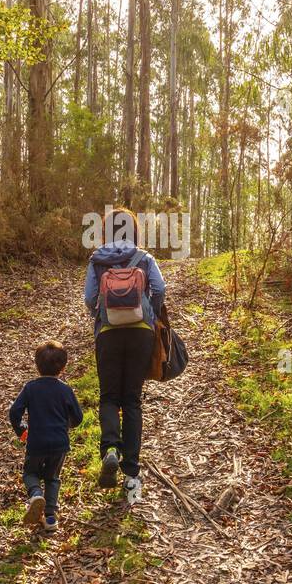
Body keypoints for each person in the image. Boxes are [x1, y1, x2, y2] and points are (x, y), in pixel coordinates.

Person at [83, 207, 165, 496]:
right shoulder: (144, 257)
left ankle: (110, 449)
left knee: (108, 396)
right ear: (133, 230)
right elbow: (159, 288)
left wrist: (103, 313)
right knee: (132, 400)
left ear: (106, 230)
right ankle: (131, 473)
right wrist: (148, 315)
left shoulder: (97, 260)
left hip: (108, 332)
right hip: (141, 332)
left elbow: (89, 298)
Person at [8, 340, 84, 534]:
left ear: (37, 364)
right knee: (53, 478)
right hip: (59, 442)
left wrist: (22, 429)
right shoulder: (65, 390)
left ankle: (35, 494)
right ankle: (50, 517)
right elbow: (78, 417)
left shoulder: (31, 388)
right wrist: (66, 426)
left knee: (30, 473)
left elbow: (14, 412)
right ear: (63, 366)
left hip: (37, 441)